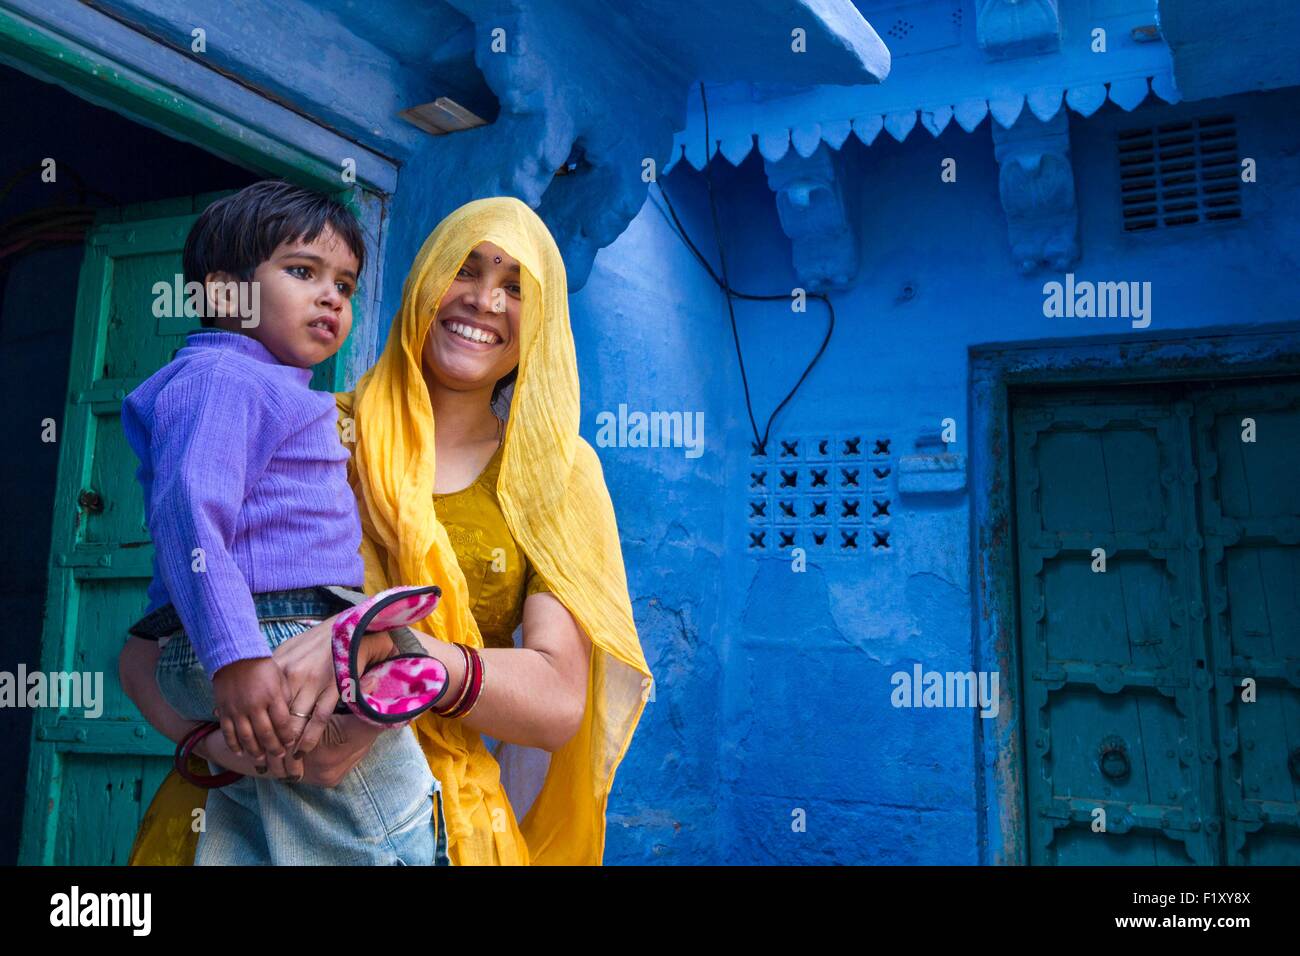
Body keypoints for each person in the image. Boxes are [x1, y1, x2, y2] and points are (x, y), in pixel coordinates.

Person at [120, 196, 652, 865]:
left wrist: (382, 648)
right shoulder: (309, 426)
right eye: (465, 270)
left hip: (438, 821)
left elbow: (556, 702)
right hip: (241, 792)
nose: (485, 302)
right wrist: (241, 747)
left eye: (516, 287)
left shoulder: (554, 473)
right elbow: (150, 647)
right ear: (423, 281)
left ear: (542, 317)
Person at [120, 179, 451, 865]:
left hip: (243, 644)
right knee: (385, 835)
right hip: (273, 640)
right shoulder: (225, 376)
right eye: (303, 271)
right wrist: (235, 654)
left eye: (346, 284)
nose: (332, 296)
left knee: (258, 836)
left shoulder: (261, 385)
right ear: (223, 294)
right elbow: (188, 507)